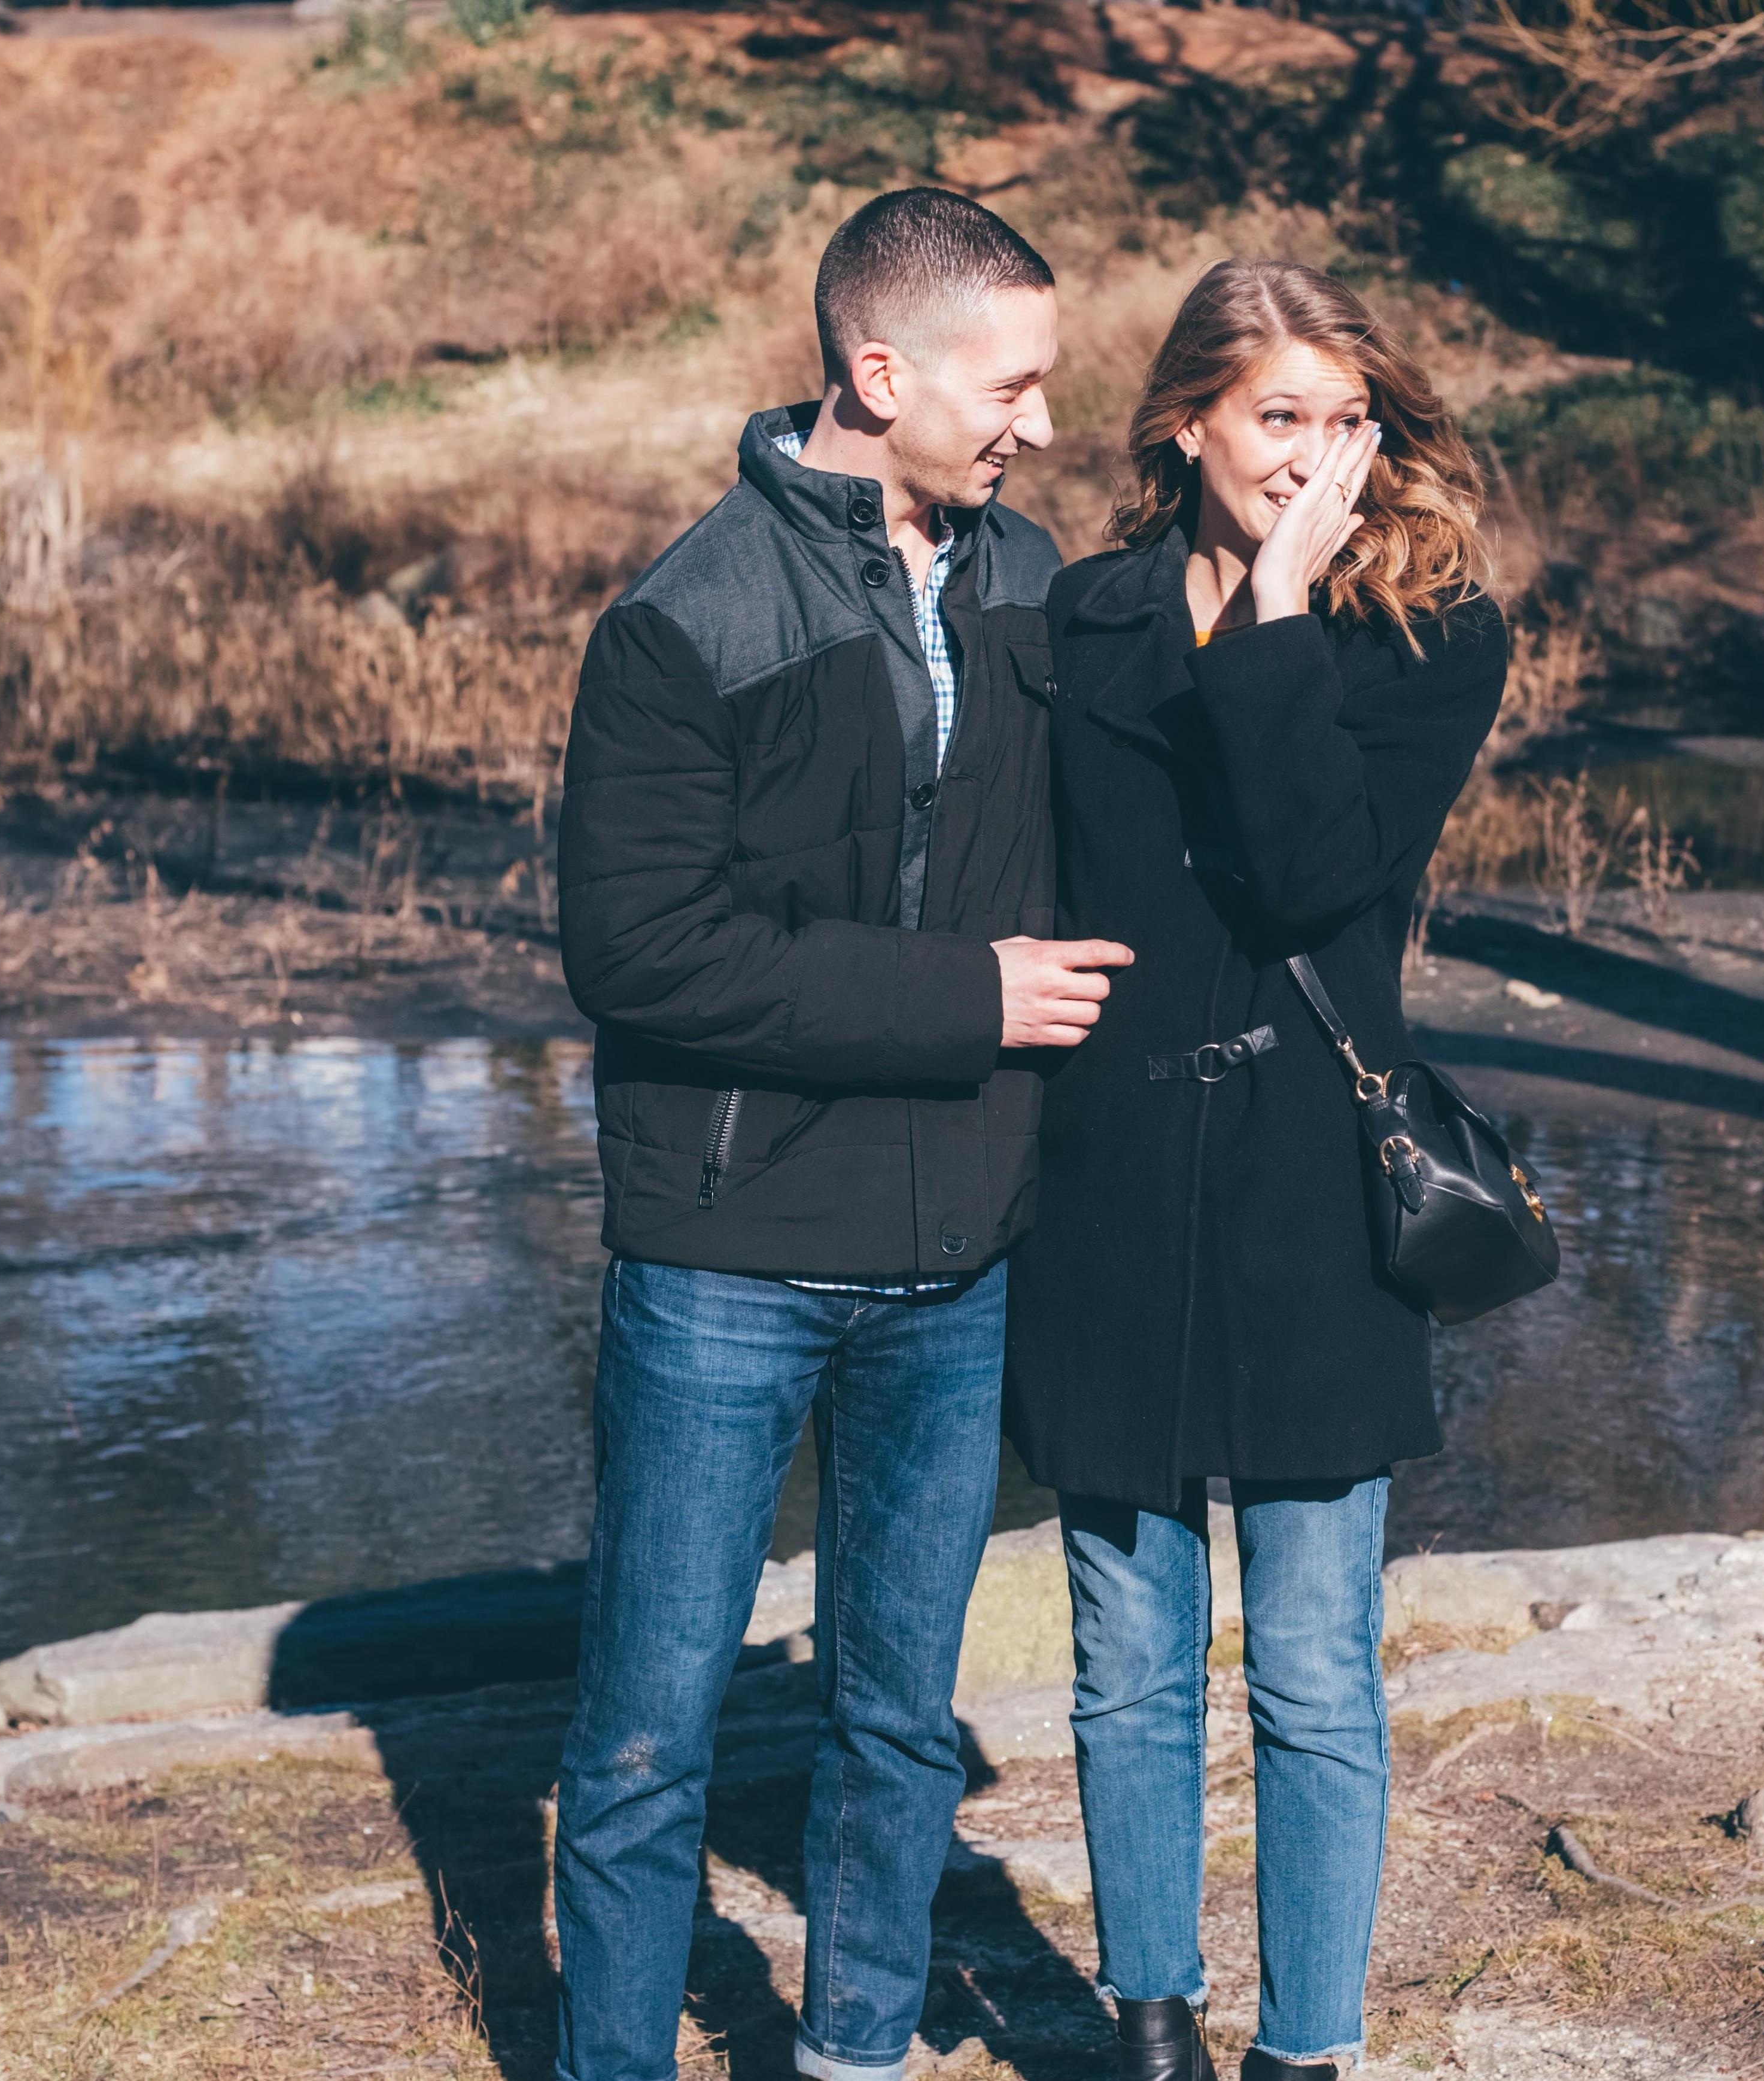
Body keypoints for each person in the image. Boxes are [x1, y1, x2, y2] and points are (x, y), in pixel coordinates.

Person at [554, 187, 1132, 2081]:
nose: (1040, 423)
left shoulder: (1034, 580)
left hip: (960, 1259)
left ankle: (859, 2054)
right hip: (726, 1258)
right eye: (1014, 385)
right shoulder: (684, 618)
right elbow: (643, 958)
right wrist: (971, 1001)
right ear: (881, 374)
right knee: (648, 1743)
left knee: (898, 1725)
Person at [1004, 260, 1509, 2081]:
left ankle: (1307, 2048)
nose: (1316, 454)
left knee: (1311, 1677)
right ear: (1188, 425)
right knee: (1125, 1663)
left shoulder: (1432, 636)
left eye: (1347, 420)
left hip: (1315, 1199)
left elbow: (1309, 878)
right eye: (1279, 416)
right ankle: (1155, 2026)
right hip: (1110, 1192)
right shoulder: (1091, 616)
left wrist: (1285, 607)